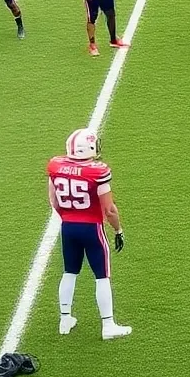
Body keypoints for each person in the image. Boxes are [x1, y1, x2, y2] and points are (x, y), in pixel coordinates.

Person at [47, 130, 131, 340]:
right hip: (92, 227)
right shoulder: (97, 171)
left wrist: (67, 218)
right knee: (102, 276)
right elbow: (109, 209)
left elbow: (53, 200)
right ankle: (108, 325)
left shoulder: (56, 166)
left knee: (69, 272)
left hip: (68, 226)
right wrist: (118, 230)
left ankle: (65, 319)